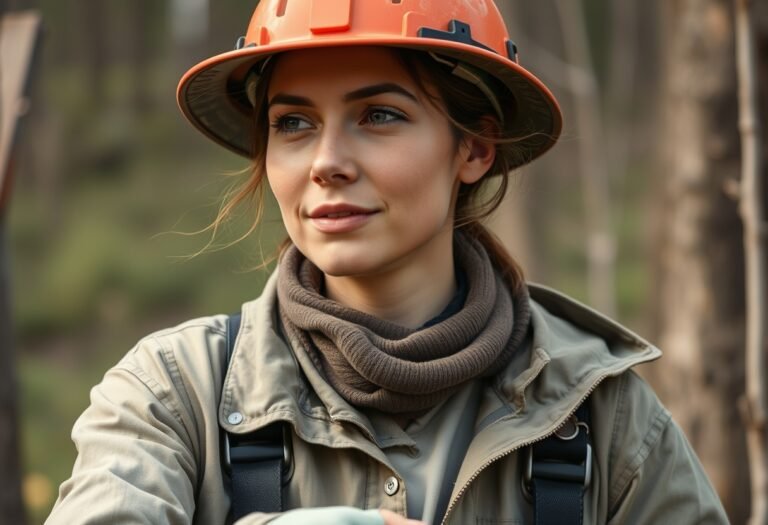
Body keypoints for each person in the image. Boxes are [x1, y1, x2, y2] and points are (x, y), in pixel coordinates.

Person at [46, 1, 728, 524]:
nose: (326, 163)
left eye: (378, 115)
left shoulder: (600, 415)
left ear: (474, 148)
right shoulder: (173, 395)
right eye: (293, 123)